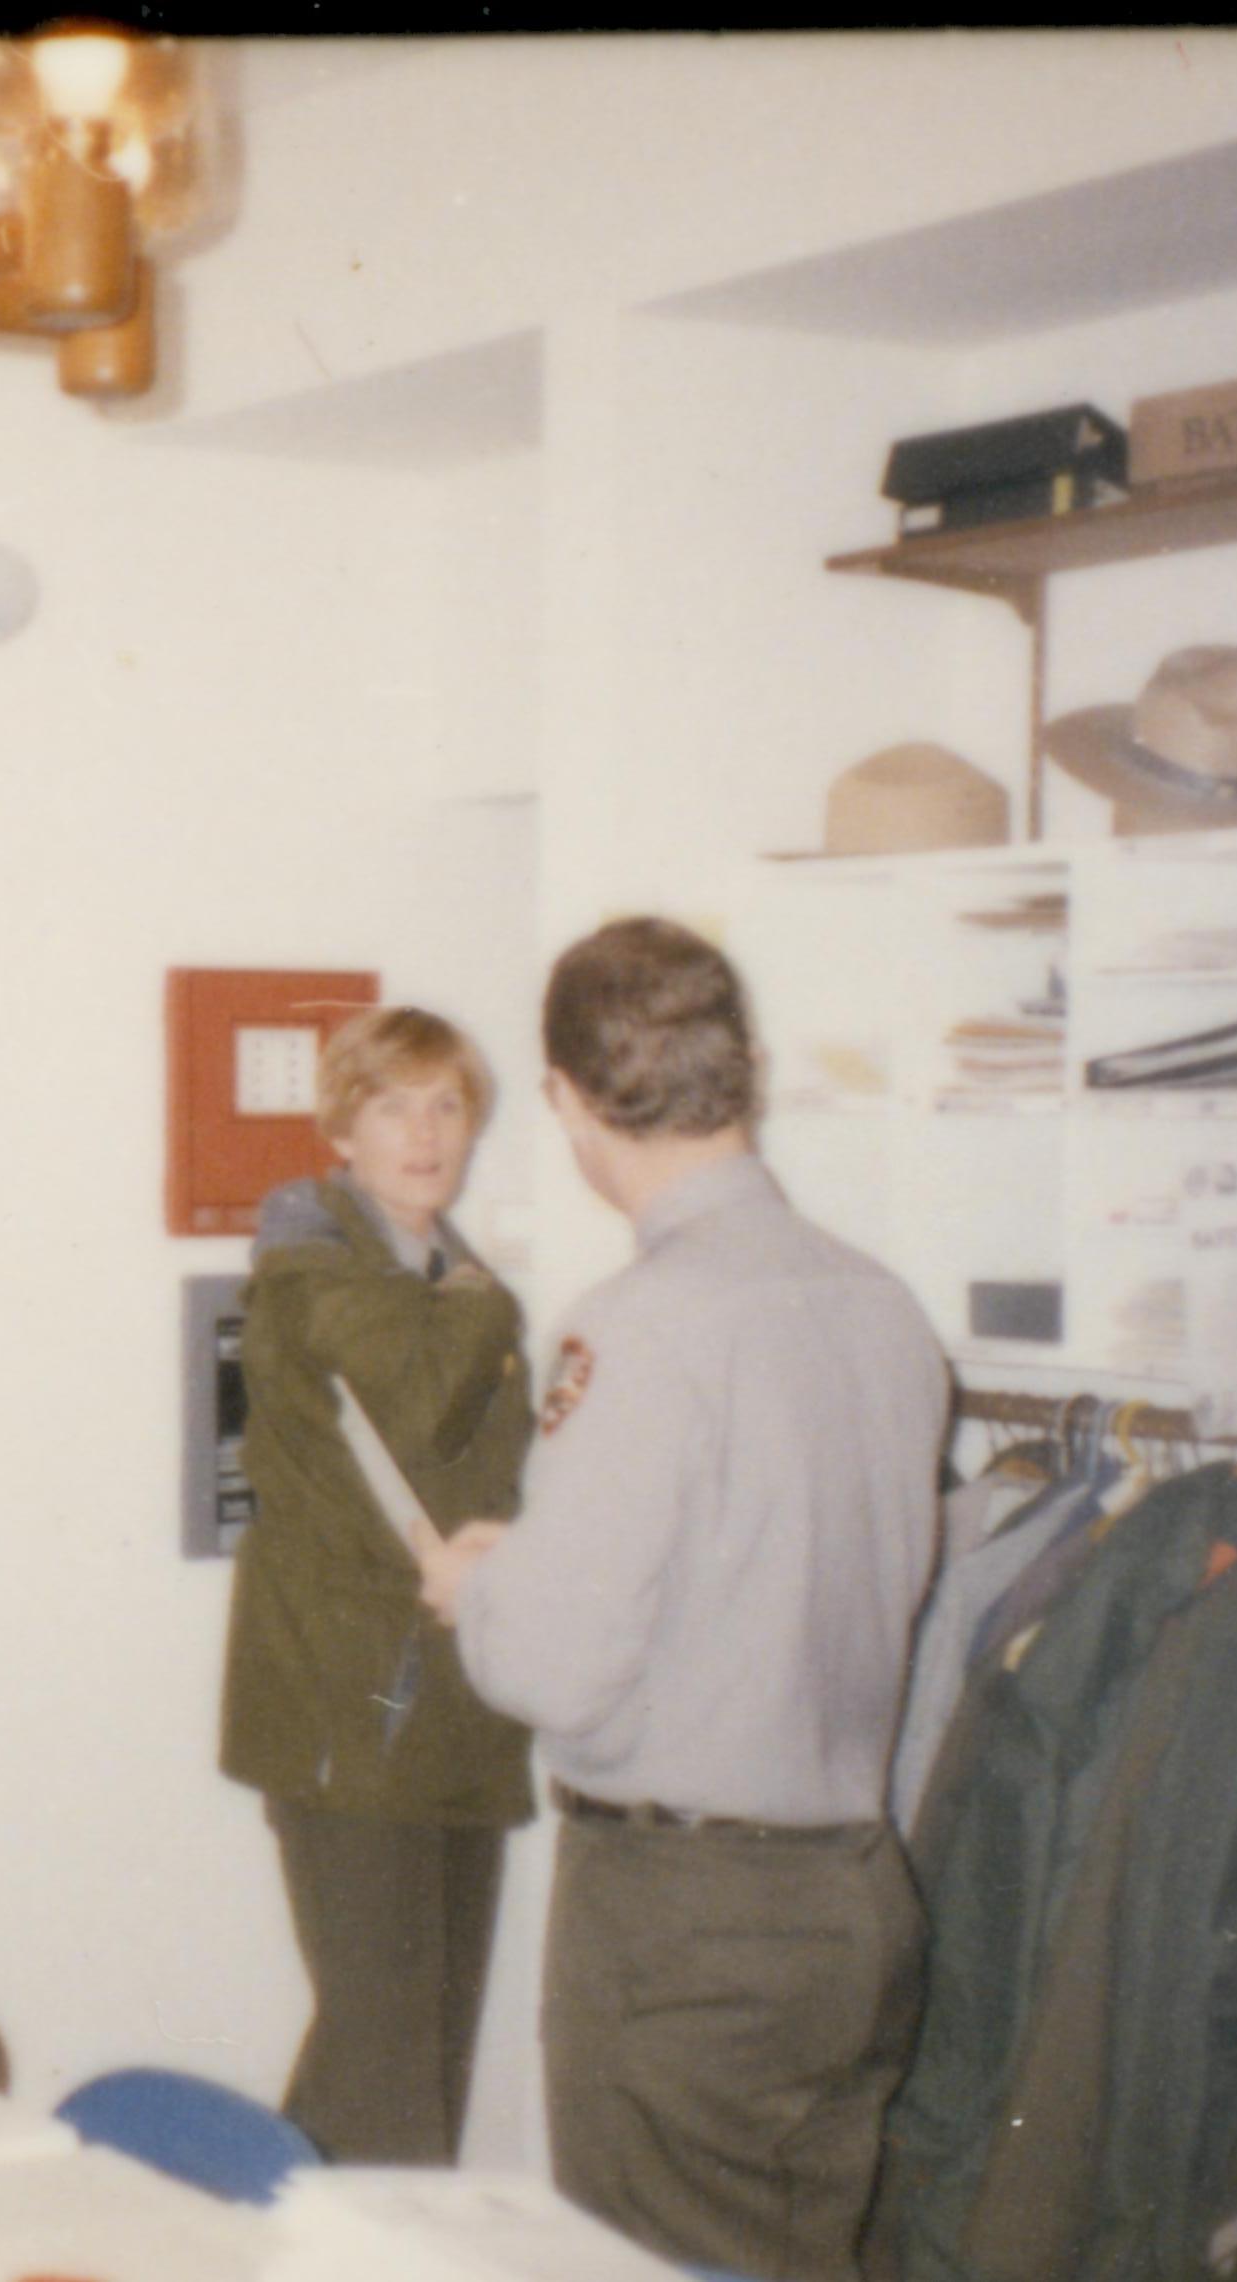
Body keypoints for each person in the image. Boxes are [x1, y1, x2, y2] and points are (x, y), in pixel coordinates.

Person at [421, 916, 945, 2282]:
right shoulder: (885, 1306)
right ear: (748, 1069)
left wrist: (481, 1588)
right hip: (854, 1894)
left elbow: (553, 1668)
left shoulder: (639, 1324)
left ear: (568, 1100)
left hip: (690, 1923)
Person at [219, 1005, 533, 2164]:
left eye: (448, 1103)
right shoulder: (317, 1268)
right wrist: (491, 1296)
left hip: (454, 1705)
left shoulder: (436, 1266)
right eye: (394, 1103)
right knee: (389, 2064)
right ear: (341, 1128)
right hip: (349, 1710)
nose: (426, 1131)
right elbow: (415, 1387)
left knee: (418, 2052)